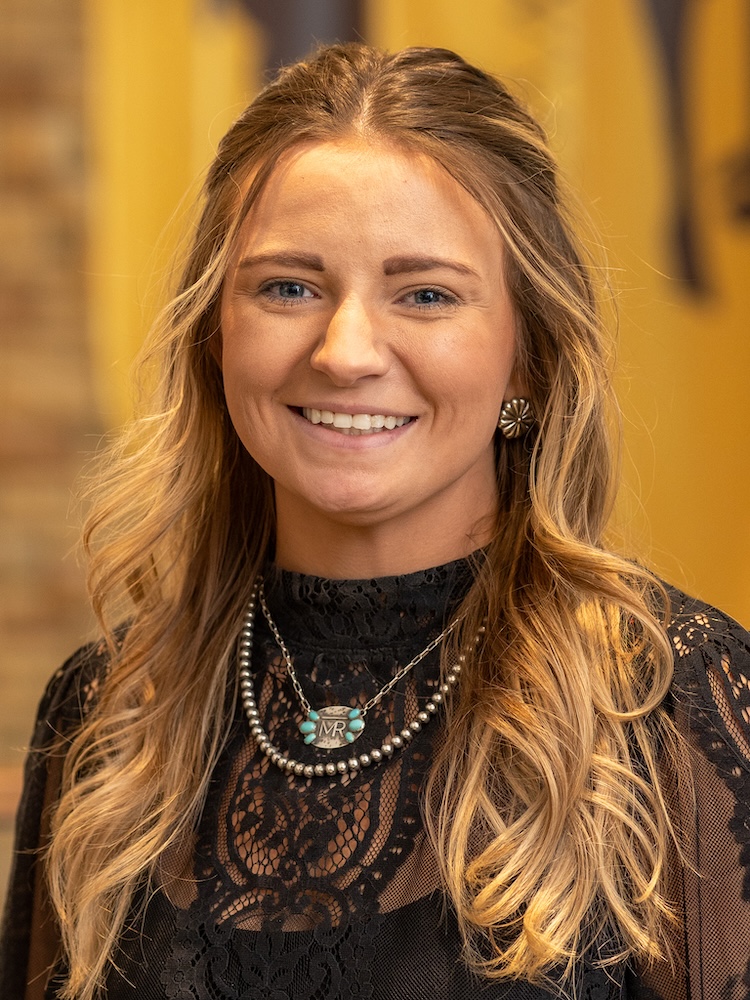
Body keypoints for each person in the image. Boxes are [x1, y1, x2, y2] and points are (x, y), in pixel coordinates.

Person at [1, 42, 749, 1000]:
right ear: (215, 338)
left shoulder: (670, 705)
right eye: (288, 287)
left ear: (529, 357)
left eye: (425, 294)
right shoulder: (105, 718)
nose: (346, 351)